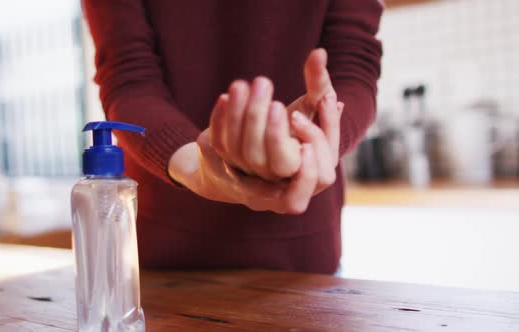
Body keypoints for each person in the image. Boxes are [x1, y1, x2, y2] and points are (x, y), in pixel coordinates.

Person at [83, 0, 383, 274]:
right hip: (166, 257)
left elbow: (353, 66)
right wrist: (193, 163)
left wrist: (318, 137)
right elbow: (128, 77)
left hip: (304, 259)